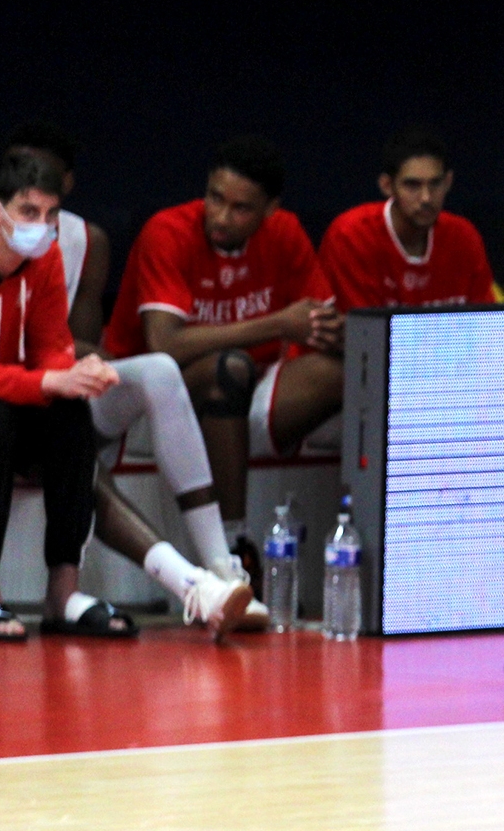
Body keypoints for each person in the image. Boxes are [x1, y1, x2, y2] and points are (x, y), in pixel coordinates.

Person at [1, 125, 252, 635]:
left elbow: (69, 343)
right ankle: (189, 584)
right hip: (7, 399)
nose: (30, 189)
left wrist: (80, 367)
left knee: (148, 375)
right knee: (51, 438)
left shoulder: (75, 242)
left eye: (43, 183)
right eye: (20, 184)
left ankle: (220, 567)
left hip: (45, 391)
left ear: (65, 184)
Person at [104, 137, 344, 585]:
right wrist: (276, 324)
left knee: (343, 371)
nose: (220, 215)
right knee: (227, 369)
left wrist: (335, 333)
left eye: (240, 208)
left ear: (270, 209)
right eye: (215, 198)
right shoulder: (168, 230)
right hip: (154, 397)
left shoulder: (285, 232)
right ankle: (233, 548)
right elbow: (164, 346)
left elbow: (320, 323)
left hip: (245, 397)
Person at [0, 148, 133, 638]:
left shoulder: (44, 255)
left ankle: (63, 592)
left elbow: (51, 345)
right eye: (29, 212)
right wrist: (49, 379)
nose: (42, 225)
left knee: (71, 409)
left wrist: (75, 371)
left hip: (10, 395)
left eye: (51, 214)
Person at [320, 128, 497, 312]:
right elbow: (362, 334)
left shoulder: (464, 237)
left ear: (448, 182)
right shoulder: (350, 236)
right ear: (387, 186)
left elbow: (486, 326)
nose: (426, 198)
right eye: (412, 185)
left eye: (435, 183)